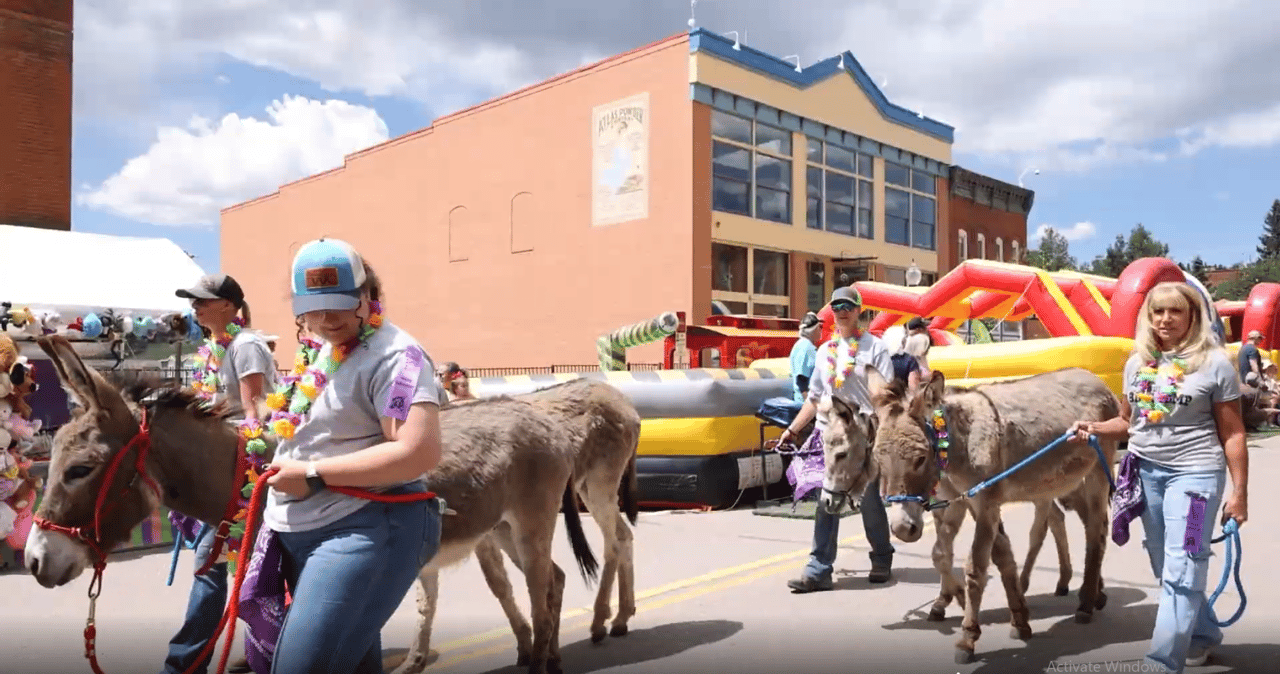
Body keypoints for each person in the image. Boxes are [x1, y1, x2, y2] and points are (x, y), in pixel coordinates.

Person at [261, 238, 444, 673]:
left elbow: (417, 451)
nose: (326, 319)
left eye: (340, 305)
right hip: (306, 531)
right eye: (313, 308)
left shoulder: (398, 358)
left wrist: (313, 473)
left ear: (368, 295)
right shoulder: (324, 349)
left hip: (364, 528)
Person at [1069, 281, 1248, 673]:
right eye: (1157, 312)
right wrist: (1095, 429)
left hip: (1197, 478)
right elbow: (1130, 424)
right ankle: (1199, 635)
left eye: (1175, 311)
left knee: (1184, 560)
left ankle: (1161, 662)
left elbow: (1233, 433)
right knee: (1164, 560)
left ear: (1193, 317)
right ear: (1148, 318)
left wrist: (1240, 494)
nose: (1165, 319)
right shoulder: (1138, 364)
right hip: (1147, 475)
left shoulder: (1215, 364)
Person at [165, 273, 277, 674]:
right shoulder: (215, 346)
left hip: (250, 472)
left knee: (214, 565)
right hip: (227, 469)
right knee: (228, 568)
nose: (195, 307)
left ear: (228, 306)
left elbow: (255, 413)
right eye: (192, 301)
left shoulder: (245, 344)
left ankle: (185, 665)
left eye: (202, 301)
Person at [776, 287, 896, 592]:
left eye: (848, 305)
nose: (842, 310)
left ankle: (882, 555)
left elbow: (885, 397)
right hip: (828, 434)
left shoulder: (875, 348)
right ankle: (818, 569)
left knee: (867, 500)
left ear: (859, 310)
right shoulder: (824, 351)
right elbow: (815, 397)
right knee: (826, 500)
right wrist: (792, 429)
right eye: (836, 305)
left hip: (861, 434)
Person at [789, 312, 822, 403]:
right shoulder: (807, 348)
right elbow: (801, 380)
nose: (820, 331)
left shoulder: (799, 345)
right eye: (820, 327)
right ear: (814, 330)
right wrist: (809, 404)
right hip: (805, 403)